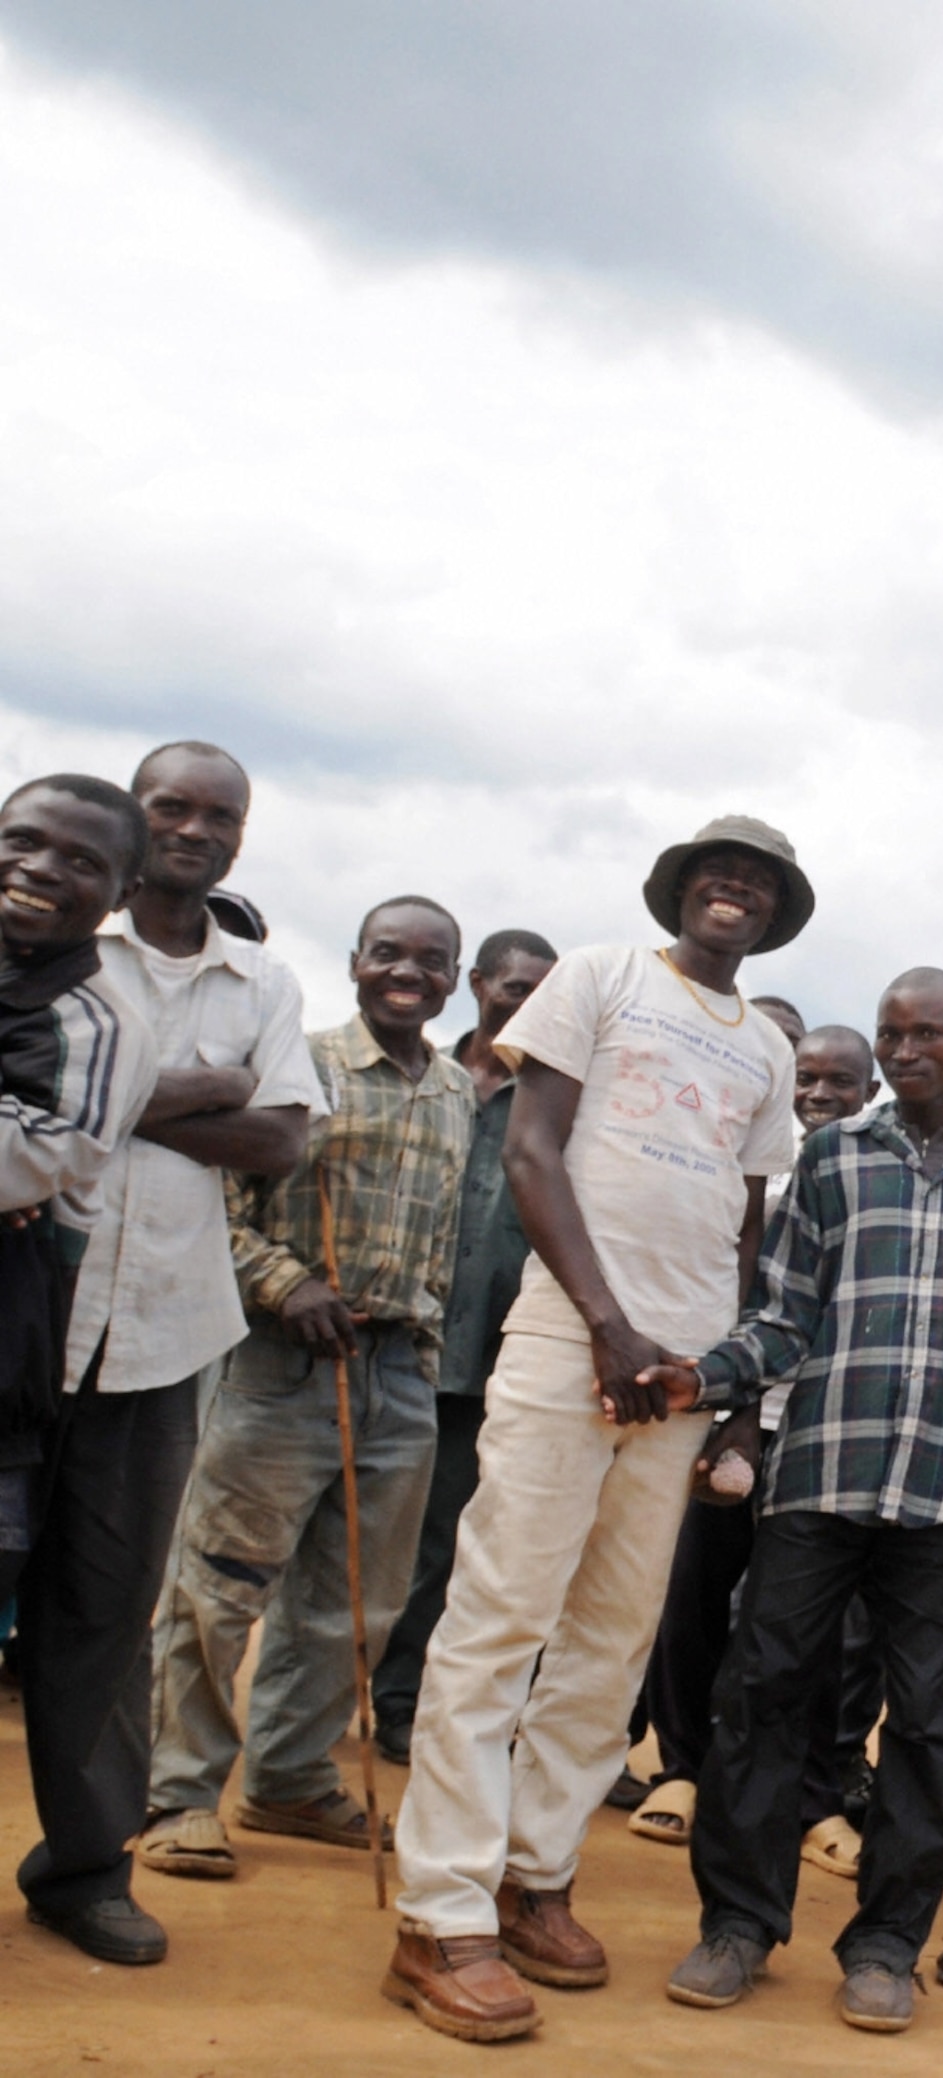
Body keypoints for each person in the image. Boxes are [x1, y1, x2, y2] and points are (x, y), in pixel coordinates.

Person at [383, 816, 806, 2043]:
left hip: (680, 1377)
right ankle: (439, 1913)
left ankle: (534, 1876)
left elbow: (746, 1223)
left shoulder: (766, 1046)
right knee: (499, 1617)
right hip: (572, 1342)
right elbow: (532, 1150)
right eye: (718, 869)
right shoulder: (604, 974)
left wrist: (726, 1387)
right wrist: (608, 1325)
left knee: (612, 1638)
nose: (736, 887)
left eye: (760, 881)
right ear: (679, 887)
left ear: (776, 911)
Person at [648, 969, 943, 2034]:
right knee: (762, 1694)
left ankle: (883, 1947)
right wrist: (707, 1378)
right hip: (821, 1475)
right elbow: (784, 1316)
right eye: (891, 1034)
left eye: (928, 1033)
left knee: (924, 1728)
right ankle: (737, 1923)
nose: (907, 1050)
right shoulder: (834, 1158)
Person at [23, 742, 320, 1967]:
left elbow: (281, 1140)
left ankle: (85, 1870)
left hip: (161, 1339)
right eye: (172, 807)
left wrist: (105, 1096)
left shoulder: (263, 981)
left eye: (220, 814)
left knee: (105, 1612)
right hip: (20, 1324)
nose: (196, 829)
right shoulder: (60, 946)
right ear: (135, 822)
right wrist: (200, 1089)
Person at [137, 896, 478, 1880]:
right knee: (222, 1582)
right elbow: (218, 1196)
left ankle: (287, 1778)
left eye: (430, 959)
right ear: (356, 962)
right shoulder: (303, 1064)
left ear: (452, 979)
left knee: (357, 1600)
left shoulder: (456, 1089)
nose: (408, 972)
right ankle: (179, 1793)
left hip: (399, 1369)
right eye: (388, 953)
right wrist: (286, 1283)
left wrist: (419, 1337)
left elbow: (443, 1234)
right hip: (283, 1358)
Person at [627, 1020, 885, 1854]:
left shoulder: (873, 1182)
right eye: (806, 1079)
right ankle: (681, 1770)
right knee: (694, 1600)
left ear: (869, 1091)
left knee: (827, 1626)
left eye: (839, 1082)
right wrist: (729, 1409)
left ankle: (817, 1799)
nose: (819, 1094)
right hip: (730, 1418)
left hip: (828, 1434)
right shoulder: (749, 1178)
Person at [373, 927, 557, 1764]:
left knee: (448, 1542)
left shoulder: (556, 1103)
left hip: (493, 1361)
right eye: (516, 989)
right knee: (376, 1536)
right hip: (394, 1343)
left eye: (546, 996)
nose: (529, 1007)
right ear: (479, 984)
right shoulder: (429, 1081)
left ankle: (403, 1703)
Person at [0, 777, 161, 1607]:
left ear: (124, 895)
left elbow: (25, 1162)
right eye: (22, 841)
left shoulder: (97, 1024)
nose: (40, 868)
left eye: (81, 861)